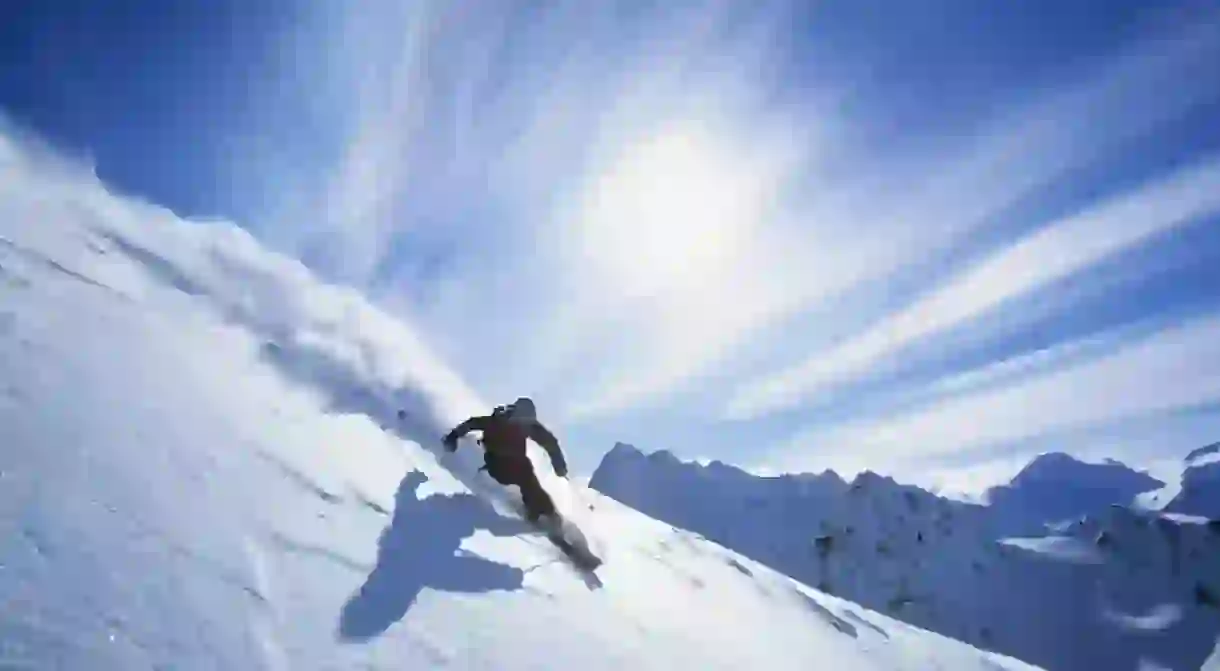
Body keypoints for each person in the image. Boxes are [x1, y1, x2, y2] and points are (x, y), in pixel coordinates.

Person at [441, 397, 569, 521]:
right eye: (523, 420)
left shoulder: (528, 425)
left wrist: (559, 464)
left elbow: (549, 442)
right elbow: (472, 424)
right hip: (495, 464)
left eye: (528, 422)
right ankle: (536, 510)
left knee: (528, 475)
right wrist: (453, 436)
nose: (524, 425)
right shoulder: (497, 421)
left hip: (516, 464)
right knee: (525, 474)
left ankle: (546, 511)